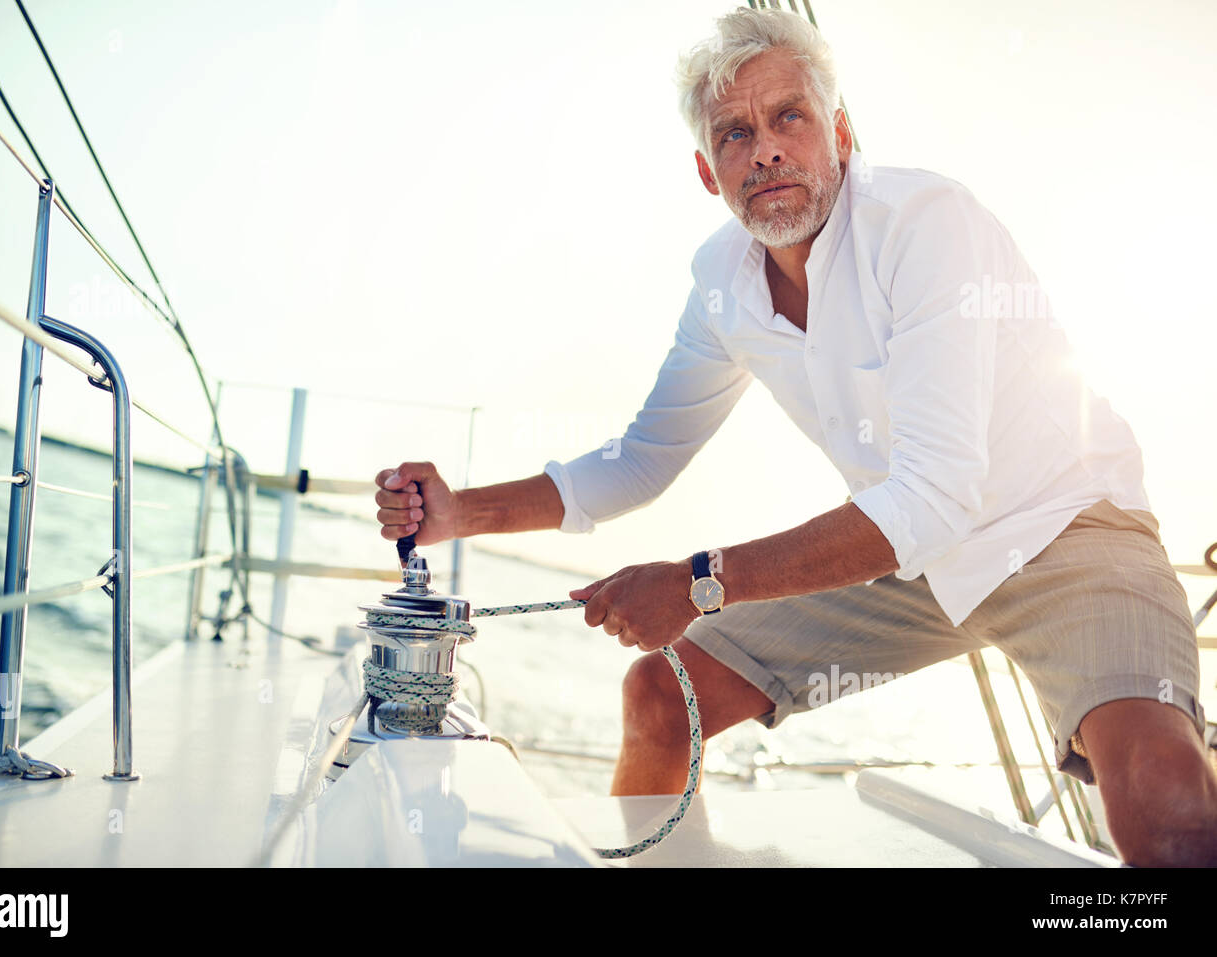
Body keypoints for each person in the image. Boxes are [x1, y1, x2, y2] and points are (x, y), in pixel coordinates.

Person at [373, 7, 1216, 866]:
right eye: (736, 133)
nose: (766, 149)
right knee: (663, 694)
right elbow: (642, 457)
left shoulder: (928, 223)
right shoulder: (722, 283)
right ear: (708, 171)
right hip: (910, 555)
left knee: (1170, 808)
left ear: (840, 133)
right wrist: (454, 512)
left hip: (1065, 529)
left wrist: (701, 581)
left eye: (790, 118)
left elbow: (933, 491)